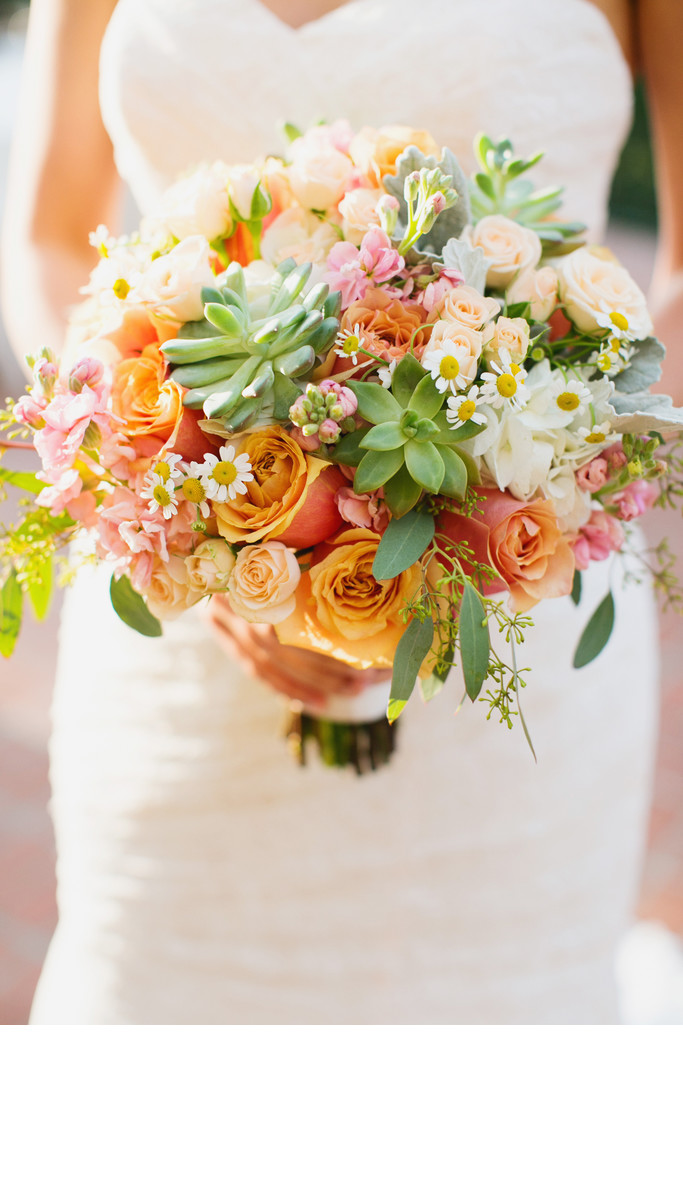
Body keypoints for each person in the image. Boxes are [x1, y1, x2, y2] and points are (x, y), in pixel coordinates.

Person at [1, 0, 676, 1023]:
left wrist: (542, 473)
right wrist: (181, 503)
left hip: (511, 614)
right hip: (183, 627)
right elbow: (51, 235)